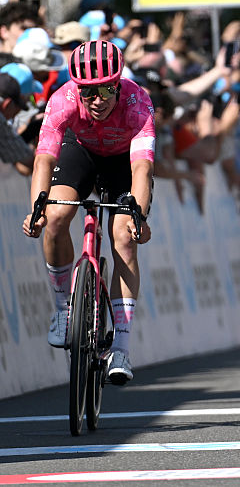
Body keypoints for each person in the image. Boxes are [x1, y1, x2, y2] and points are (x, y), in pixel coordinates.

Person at [21, 39, 154, 385]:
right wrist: (38, 205)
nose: (96, 100)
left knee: (123, 235)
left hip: (122, 163)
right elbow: (44, 158)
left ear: (118, 84)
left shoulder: (137, 103)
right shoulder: (63, 100)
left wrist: (140, 214)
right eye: (87, 92)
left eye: (105, 91)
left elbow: (142, 170)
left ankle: (121, 346)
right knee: (55, 218)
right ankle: (65, 308)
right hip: (80, 152)